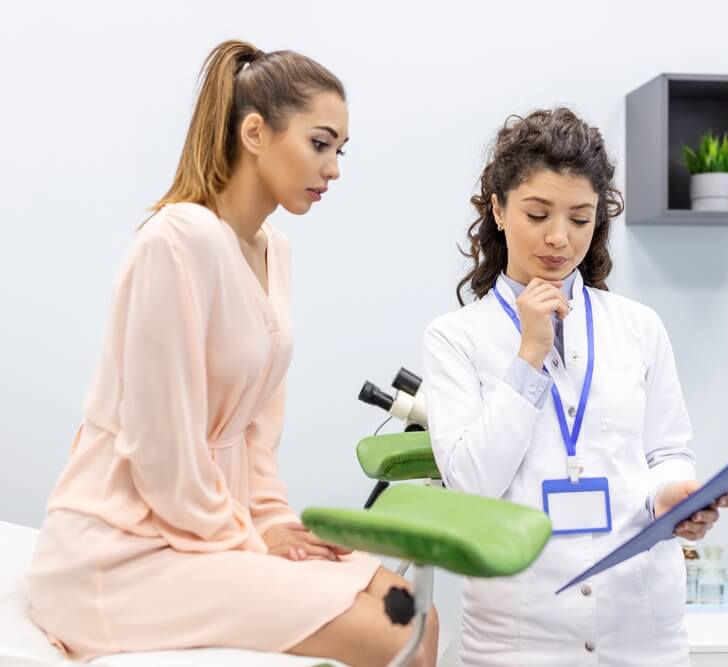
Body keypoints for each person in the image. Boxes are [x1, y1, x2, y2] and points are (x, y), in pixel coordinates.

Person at [27, 39, 438, 667]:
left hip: (206, 530)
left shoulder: (275, 251)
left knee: (415, 612)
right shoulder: (176, 242)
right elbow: (162, 448)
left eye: (340, 152)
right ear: (254, 132)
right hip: (119, 550)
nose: (333, 170)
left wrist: (274, 522)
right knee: (396, 633)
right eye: (320, 144)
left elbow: (252, 430)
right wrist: (247, 539)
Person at [422, 107, 728, 666]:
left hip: (641, 630)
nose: (559, 239)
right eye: (537, 214)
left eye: (581, 218)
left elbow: (665, 449)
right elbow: (470, 488)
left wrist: (672, 496)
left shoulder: (639, 327)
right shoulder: (456, 338)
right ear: (497, 209)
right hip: (517, 639)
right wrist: (529, 356)